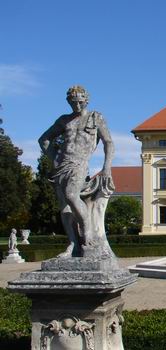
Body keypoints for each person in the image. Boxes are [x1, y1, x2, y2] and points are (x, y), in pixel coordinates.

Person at [38, 86, 114, 257]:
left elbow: (108, 142)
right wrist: (54, 159)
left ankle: (87, 234)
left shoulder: (96, 117)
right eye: (73, 103)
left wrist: (106, 167)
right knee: (65, 208)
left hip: (80, 163)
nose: (77, 106)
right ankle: (72, 244)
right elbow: (43, 140)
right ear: (69, 102)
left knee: (71, 195)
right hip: (62, 165)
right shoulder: (64, 120)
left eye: (80, 102)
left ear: (86, 100)